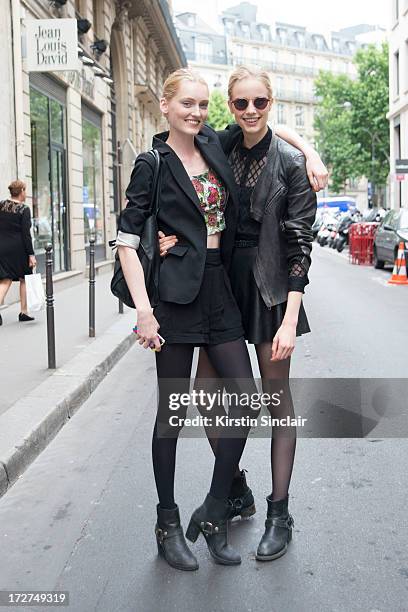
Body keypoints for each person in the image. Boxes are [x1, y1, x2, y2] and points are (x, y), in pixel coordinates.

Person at [158, 65, 319, 562]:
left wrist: (290, 318)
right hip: (223, 286)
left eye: (260, 103)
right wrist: (172, 241)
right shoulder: (220, 145)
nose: (250, 111)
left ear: (272, 104)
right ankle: (234, 486)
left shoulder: (290, 165)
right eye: (241, 103)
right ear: (230, 107)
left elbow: (299, 248)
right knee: (206, 396)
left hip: (272, 292)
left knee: (276, 405)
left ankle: (278, 511)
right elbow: (178, 153)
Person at [116, 68, 260, 571]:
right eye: (187, 105)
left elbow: (262, 127)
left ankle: (215, 510)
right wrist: (144, 313)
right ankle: (167, 522)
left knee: (247, 401)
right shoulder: (151, 163)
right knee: (172, 417)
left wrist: (311, 152)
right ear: (165, 105)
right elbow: (127, 242)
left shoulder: (215, 146)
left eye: (203, 105)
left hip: (219, 290)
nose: (196, 113)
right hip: (173, 301)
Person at [0, 180, 36, 325]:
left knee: (5, 279)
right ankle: (24, 311)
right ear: (21, 191)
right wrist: (31, 254)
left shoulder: (1, 205)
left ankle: (22, 311)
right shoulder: (23, 209)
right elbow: (26, 235)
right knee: (24, 278)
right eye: (25, 190)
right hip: (18, 249)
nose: (26, 194)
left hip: (2, 247)